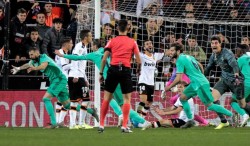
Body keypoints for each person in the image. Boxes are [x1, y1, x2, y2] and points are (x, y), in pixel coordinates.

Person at [55, 39, 150, 129]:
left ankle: (143, 122)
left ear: (95, 46)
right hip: (119, 78)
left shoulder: (94, 54)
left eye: (92, 45)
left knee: (122, 104)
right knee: (111, 99)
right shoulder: (108, 52)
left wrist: (63, 55)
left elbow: (77, 57)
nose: (91, 47)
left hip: (111, 80)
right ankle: (124, 116)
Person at [162, 43, 232, 129]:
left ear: (178, 51)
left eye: (172, 50)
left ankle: (231, 115)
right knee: (182, 98)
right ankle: (190, 120)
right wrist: (201, 76)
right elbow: (200, 65)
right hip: (195, 83)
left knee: (210, 105)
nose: (170, 52)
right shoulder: (188, 56)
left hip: (199, 84)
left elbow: (178, 79)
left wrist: (168, 88)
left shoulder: (179, 60)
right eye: (170, 50)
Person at [11, 47, 73, 129]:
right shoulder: (34, 61)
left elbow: (43, 66)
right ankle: (90, 111)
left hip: (59, 79)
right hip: (55, 80)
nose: (30, 56)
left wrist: (34, 68)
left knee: (46, 99)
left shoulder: (44, 57)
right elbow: (28, 64)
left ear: (37, 53)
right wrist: (18, 68)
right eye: (29, 55)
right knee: (68, 105)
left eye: (32, 54)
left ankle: (53, 123)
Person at [98, 19, 141, 133]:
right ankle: (124, 126)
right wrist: (138, 70)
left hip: (113, 69)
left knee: (107, 98)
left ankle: (101, 125)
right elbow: (139, 61)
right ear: (128, 28)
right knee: (126, 99)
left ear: (117, 29)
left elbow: (103, 58)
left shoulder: (111, 41)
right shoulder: (133, 42)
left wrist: (101, 73)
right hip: (125, 70)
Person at [204, 36, 249, 129]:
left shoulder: (227, 53)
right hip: (224, 80)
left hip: (236, 81)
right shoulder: (213, 56)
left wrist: (236, 73)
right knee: (212, 99)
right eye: (212, 43)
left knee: (242, 105)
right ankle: (224, 121)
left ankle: (245, 115)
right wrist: (202, 78)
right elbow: (208, 68)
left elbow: (234, 64)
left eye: (216, 43)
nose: (214, 45)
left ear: (220, 44)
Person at [67, 29, 98, 130]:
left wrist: (85, 78)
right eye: (90, 36)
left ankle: (76, 124)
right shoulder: (80, 46)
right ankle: (78, 123)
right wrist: (76, 75)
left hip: (79, 76)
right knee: (82, 100)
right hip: (76, 77)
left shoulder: (83, 46)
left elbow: (81, 65)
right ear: (85, 37)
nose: (91, 37)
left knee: (79, 101)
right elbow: (75, 59)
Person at [54, 37, 73, 126]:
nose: (72, 45)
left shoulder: (62, 53)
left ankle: (58, 121)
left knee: (60, 101)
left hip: (59, 79)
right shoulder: (61, 53)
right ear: (66, 44)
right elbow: (65, 66)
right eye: (71, 43)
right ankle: (60, 121)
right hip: (62, 80)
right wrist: (76, 62)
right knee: (67, 101)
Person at [136, 40, 156, 117]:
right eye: (147, 44)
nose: (149, 45)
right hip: (143, 81)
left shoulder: (155, 56)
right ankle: (137, 118)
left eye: (150, 43)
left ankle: (143, 118)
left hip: (151, 83)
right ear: (144, 47)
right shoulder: (141, 55)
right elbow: (134, 55)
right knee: (143, 101)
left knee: (149, 103)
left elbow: (166, 53)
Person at [234, 44, 250, 127]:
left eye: (238, 50)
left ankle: (244, 115)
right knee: (246, 102)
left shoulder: (241, 59)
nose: (236, 51)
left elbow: (235, 72)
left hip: (246, 83)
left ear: (242, 51)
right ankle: (248, 122)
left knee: (233, 101)